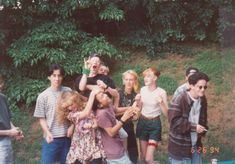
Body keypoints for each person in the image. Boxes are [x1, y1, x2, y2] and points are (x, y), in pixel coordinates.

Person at [34, 64, 73, 164]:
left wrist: (72, 126)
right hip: (51, 138)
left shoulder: (68, 91)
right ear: (49, 77)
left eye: (59, 75)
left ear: (62, 76)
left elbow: (75, 111)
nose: (57, 78)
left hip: (66, 137)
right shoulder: (43, 96)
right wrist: (47, 132)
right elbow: (41, 118)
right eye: (54, 75)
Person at [168, 72, 209, 164]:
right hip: (180, 148)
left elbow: (203, 119)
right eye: (200, 87)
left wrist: (203, 128)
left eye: (205, 87)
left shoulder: (202, 99)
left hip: (195, 145)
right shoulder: (180, 99)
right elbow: (174, 122)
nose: (203, 90)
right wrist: (194, 127)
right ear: (191, 85)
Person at [56, 90, 105, 164]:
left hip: (93, 144)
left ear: (75, 100)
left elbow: (95, 123)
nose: (70, 107)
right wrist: (92, 94)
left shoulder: (85, 105)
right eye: (67, 106)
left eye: (71, 104)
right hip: (80, 147)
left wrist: (92, 126)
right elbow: (85, 113)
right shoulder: (70, 115)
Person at [94, 90, 137, 164]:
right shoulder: (101, 114)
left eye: (104, 94)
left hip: (118, 147)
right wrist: (123, 118)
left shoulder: (108, 105)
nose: (106, 95)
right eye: (102, 96)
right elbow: (111, 133)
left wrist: (131, 108)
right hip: (113, 152)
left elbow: (116, 110)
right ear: (100, 105)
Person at [135, 67, 168, 164]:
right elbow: (140, 108)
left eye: (149, 76)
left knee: (149, 159)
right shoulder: (143, 90)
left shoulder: (161, 92)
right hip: (142, 122)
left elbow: (167, 114)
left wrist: (161, 102)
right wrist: (137, 101)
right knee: (144, 158)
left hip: (154, 125)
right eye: (145, 76)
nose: (145, 78)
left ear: (155, 78)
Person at [0, 74, 24, 164]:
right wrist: (9, 132)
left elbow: (7, 119)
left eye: (0, 82)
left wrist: (15, 130)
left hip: (6, 143)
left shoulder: (3, 98)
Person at [117, 70, 139, 164]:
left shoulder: (136, 95)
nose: (129, 82)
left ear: (135, 81)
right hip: (118, 126)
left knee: (134, 153)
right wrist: (130, 109)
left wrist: (136, 115)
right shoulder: (118, 93)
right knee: (121, 153)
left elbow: (136, 115)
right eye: (126, 79)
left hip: (129, 127)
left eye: (131, 79)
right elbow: (114, 112)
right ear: (123, 81)